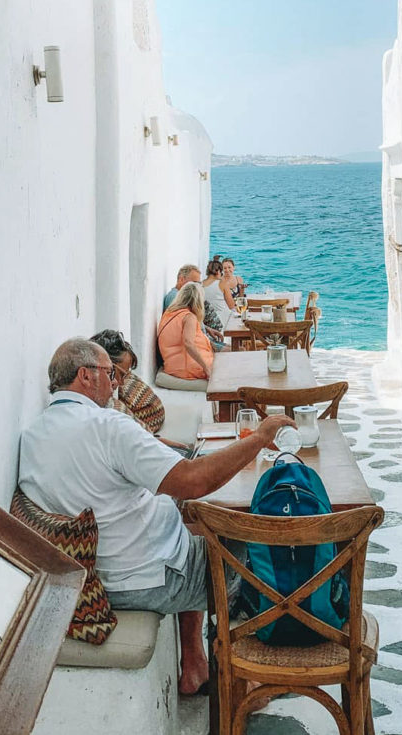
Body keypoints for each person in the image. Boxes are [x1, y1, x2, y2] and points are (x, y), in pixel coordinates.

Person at [18, 337, 294, 694]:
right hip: (146, 580)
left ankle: (194, 665)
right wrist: (258, 439)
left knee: (189, 526)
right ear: (85, 376)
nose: (116, 385)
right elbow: (192, 482)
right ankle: (245, 680)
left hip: (102, 573)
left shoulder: (34, 435)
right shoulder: (108, 426)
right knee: (254, 544)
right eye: (110, 374)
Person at [90, 329, 189, 453]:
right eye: (119, 374)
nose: (120, 383)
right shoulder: (94, 412)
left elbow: (136, 433)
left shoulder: (110, 402)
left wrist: (157, 441)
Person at [157, 281, 213, 386]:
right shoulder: (188, 317)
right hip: (188, 368)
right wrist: (206, 368)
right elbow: (188, 343)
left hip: (174, 366)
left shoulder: (169, 314)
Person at [164, 263, 224, 349]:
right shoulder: (175, 298)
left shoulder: (183, 297)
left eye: (199, 283)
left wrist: (207, 329)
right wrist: (212, 345)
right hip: (199, 346)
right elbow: (186, 331)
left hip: (204, 340)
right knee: (237, 350)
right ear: (181, 279)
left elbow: (189, 322)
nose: (197, 286)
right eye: (194, 282)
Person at [202, 256, 235, 328]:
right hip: (222, 321)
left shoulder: (200, 284)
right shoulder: (222, 283)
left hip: (206, 322)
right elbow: (231, 305)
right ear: (218, 272)